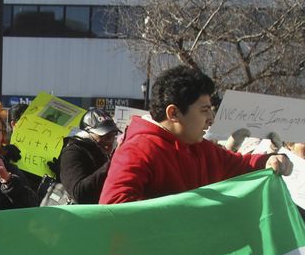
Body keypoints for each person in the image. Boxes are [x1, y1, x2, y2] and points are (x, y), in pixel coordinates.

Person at [100, 66, 292, 204]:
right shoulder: (138, 150)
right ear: (173, 113)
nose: (211, 119)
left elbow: (240, 165)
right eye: (204, 110)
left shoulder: (199, 146)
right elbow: (114, 210)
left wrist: (270, 161)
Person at [55, 107, 120, 204]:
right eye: (103, 136)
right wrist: (112, 164)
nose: (109, 141)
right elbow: (79, 194)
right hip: (80, 217)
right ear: (88, 134)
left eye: (112, 135)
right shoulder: (72, 152)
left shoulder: (106, 153)